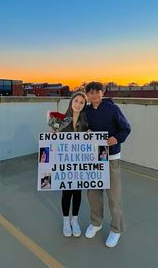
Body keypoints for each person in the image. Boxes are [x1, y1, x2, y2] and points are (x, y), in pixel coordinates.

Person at [84, 81, 131, 248]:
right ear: (87, 95)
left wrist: (116, 139)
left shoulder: (113, 109)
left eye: (98, 91)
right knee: (93, 194)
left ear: (102, 93)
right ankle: (95, 223)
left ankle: (116, 229)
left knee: (113, 197)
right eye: (91, 92)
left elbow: (126, 128)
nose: (95, 95)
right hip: (93, 158)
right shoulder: (86, 111)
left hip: (111, 158)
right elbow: (79, 129)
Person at [56, 91, 89, 237]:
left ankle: (74, 220)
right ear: (71, 101)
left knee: (77, 192)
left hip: (80, 162)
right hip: (65, 162)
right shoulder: (60, 119)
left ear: (84, 105)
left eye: (82, 102)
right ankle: (65, 220)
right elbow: (52, 136)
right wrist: (53, 135)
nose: (78, 104)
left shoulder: (86, 122)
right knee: (66, 192)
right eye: (76, 101)